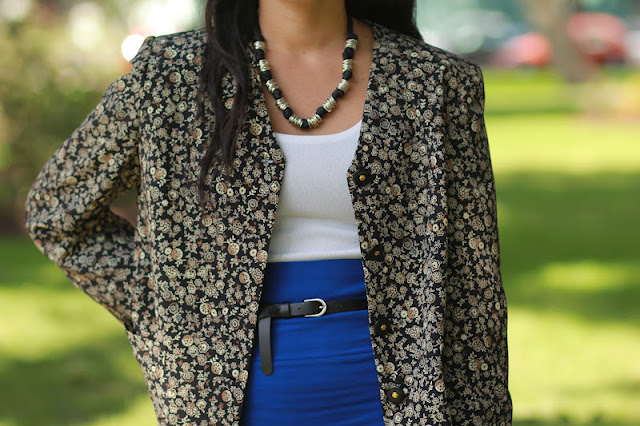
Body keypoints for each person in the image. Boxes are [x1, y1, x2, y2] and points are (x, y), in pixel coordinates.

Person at [24, 0, 513, 424]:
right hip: (231, 403)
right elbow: (56, 211)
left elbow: (475, 288)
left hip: (406, 400)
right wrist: (167, 305)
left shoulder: (434, 82)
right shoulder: (170, 77)